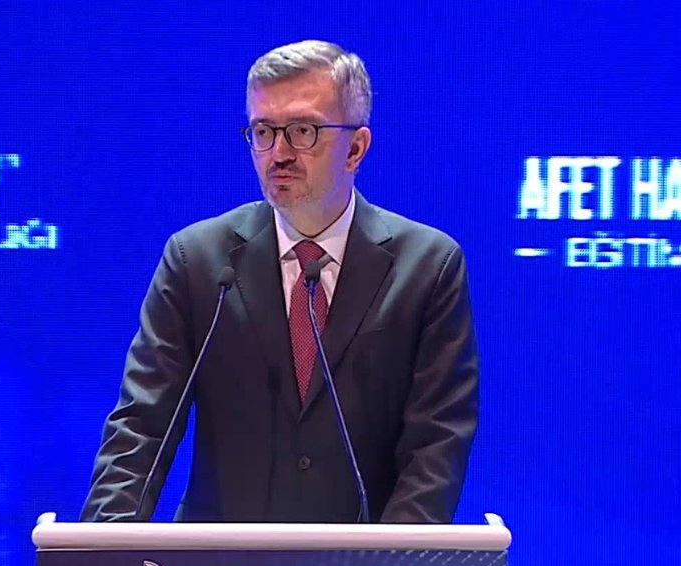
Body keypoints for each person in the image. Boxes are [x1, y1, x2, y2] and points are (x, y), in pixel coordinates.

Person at [80, 40, 478, 524]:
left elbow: (436, 443)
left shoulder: (428, 267)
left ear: (355, 148)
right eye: (263, 132)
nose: (278, 154)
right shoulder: (198, 260)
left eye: (303, 131)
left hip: (361, 563)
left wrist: (392, 562)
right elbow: (142, 425)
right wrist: (104, 547)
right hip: (217, 564)